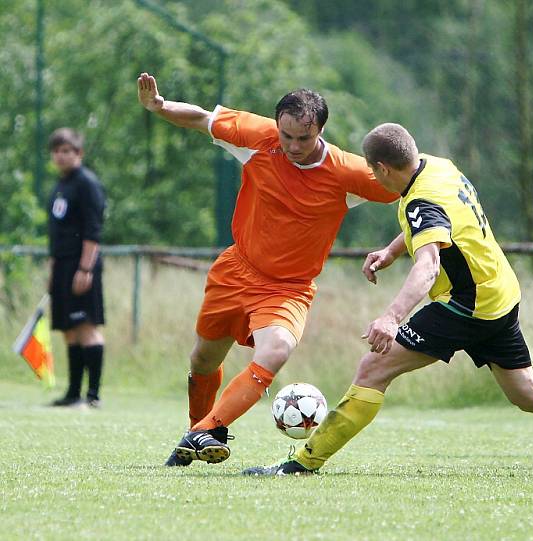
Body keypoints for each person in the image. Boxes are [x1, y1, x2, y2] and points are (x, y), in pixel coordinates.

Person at [243, 123, 533, 479]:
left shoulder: (421, 200)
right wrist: (392, 251)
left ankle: (301, 464)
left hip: (466, 304)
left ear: (383, 168)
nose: (376, 179)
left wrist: (391, 317)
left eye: (375, 173)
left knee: (372, 369)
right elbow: (434, 226)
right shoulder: (436, 167)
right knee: (527, 393)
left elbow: (426, 266)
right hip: (499, 294)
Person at [136, 73, 399, 466]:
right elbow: (201, 118)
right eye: (286, 136)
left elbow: (411, 186)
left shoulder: (349, 173)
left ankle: (204, 431)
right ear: (277, 125)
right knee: (202, 362)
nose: (292, 146)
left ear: (321, 130)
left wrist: (396, 246)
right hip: (235, 270)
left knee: (275, 350)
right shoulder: (260, 139)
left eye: (303, 139)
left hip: (288, 289)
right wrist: (160, 106)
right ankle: (198, 433)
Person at [47, 128, 107, 408]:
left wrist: (85, 269)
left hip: (81, 265)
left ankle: (92, 395)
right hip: (62, 265)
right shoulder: (61, 185)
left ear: (78, 153)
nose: (61, 155)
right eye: (57, 151)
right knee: (69, 329)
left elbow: (93, 231)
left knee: (86, 327)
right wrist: (53, 271)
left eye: (67, 151)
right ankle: (73, 394)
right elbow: (56, 232)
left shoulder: (87, 184)